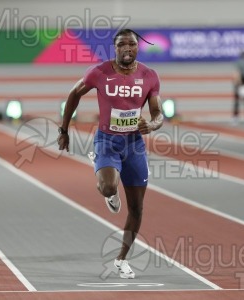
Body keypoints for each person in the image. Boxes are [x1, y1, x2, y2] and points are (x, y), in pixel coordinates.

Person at [57, 28, 163, 278]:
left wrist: (152, 124)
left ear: (138, 47)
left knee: (137, 209)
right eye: (122, 45)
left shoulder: (149, 76)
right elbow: (74, 94)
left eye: (132, 45)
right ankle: (110, 190)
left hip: (134, 145)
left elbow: (158, 113)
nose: (127, 48)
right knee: (107, 187)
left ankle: (121, 259)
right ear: (115, 48)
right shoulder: (99, 72)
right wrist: (64, 129)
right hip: (107, 141)